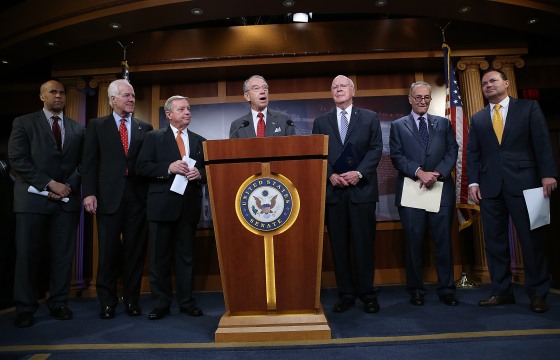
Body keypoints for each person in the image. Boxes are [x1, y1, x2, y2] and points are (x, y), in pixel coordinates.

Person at [467, 68, 558, 313]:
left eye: (493, 80)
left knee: (532, 242)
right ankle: (501, 292)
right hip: (490, 189)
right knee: (495, 243)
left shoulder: (528, 108)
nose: (488, 85)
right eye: (484, 83)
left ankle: (538, 294)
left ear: (506, 83)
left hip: (527, 184)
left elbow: (541, 141)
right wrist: (473, 182)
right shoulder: (477, 118)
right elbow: (473, 154)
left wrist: (548, 173)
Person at [8, 80, 85, 327]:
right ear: (42, 96)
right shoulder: (23, 123)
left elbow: (83, 163)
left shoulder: (77, 128)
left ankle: (59, 303)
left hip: (65, 201)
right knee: (28, 257)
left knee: (63, 256)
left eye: (62, 92)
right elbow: (18, 159)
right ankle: (25, 307)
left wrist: (66, 187)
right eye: (53, 92)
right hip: (31, 200)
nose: (59, 96)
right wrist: (50, 184)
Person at [82, 79, 153, 319]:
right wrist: (89, 192)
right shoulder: (96, 125)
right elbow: (89, 162)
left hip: (137, 199)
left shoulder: (146, 127)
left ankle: (132, 300)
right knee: (108, 253)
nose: (131, 99)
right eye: (126, 95)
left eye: (133, 95)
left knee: (134, 253)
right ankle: (107, 302)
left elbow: (147, 164)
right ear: (112, 99)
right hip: (107, 198)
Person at [312, 75, 382, 314]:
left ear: (353, 90)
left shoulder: (370, 117)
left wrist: (359, 173)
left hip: (361, 191)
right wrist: (329, 174)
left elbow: (376, 149)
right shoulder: (321, 121)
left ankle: (367, 293)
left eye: (343, 86)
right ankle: (346, 294)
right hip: (333, 192)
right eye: (334, 87)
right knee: (339, 247)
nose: (338, 89)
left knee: (364, 245)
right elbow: (317, 153)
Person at [389, 81, 459, 307]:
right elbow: (397, 156)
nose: (422, 101)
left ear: (430, 99)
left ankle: (447, 289)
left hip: (440, 189)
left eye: (426, 97)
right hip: (412, 191)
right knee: (413, 243)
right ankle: (416, 290)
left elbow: (452, 150)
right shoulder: (398, 125)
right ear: (410, 98)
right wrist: (419, 172)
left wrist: (437, 173)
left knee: (443, 243)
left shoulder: (443, 124)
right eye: (418, 97)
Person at [136, 95, 206, 320]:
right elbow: (141, 167)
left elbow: (208, 171)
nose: (187, 112)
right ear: (169, 114)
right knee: (159, 258)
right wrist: (168, 167)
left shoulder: (199, 140)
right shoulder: (153, 138)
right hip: (161, 207)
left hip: (188, 208)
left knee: (186, 258)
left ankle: (186, 302)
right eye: (182, 109)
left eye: (189, 108)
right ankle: (161, 304)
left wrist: (200, 174)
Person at [229, 75, 296, 138]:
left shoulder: (284, 120)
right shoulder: (237, 126)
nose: (262, 91)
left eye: (265, 88)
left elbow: (293, 146)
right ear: (247, 96)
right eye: (256, 88)